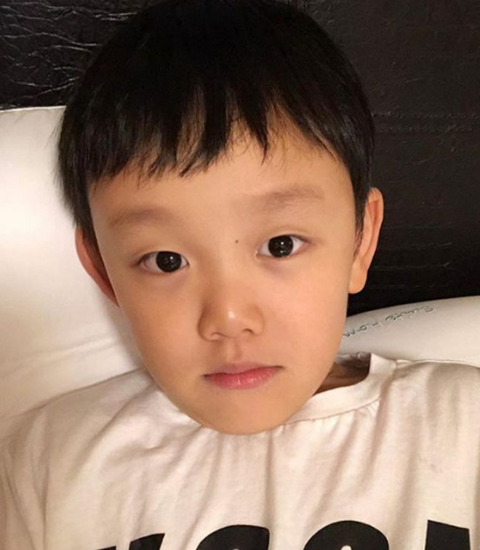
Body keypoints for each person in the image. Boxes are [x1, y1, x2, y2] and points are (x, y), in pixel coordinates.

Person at [1, 0, 479, 548]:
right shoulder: (54, 463)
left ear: (359, 243)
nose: (228, 318)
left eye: (280, 246)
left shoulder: (463, 425)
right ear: (104, 274)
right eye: (166, 261)